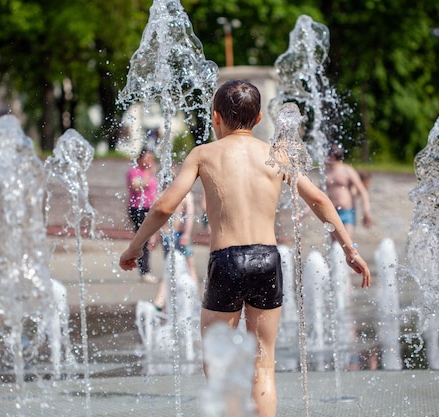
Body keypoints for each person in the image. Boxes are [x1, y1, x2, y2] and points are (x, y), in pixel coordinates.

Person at [119, 80, 371, 417]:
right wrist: (349, 250)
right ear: (258, 118)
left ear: (216, 117)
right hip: (268, 259)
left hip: (226, 260)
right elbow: (320, 200)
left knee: (218, 365)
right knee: (263, 364)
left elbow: (165, 206)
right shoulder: (277, 154)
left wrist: (134, 248)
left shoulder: (203, 154)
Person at [152, 187, 198, 311]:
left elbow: (155, 218)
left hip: (167, 235)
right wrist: (187, 234)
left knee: (169, 269)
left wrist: (153, 236)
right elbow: (189, 216)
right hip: (180, 235)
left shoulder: (162, 194)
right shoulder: (186, 195)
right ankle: (194, 300)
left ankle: (160, 302)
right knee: (190, 268)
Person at [325, 143, 372, 238]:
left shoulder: (347, 170)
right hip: (332, 212)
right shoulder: (326, 173)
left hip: (347, 211)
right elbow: (317, 194)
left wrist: (366, 212)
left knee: (346, 244)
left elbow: (363, 191)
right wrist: (302, 214)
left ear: (332, 156)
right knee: (335, 246)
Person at [126, 146, 159, 283]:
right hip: (138, 209)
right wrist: (148, 174)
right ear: (140, 158)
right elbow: (136, 186)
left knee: (148, 240)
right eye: (147, 158)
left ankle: (145, 270)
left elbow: (154, 192)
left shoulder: (150, 173)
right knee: (144, 241)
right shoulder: (135, 171)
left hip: (149, 209)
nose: (150, 161)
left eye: (152, 158)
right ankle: (144, 271)